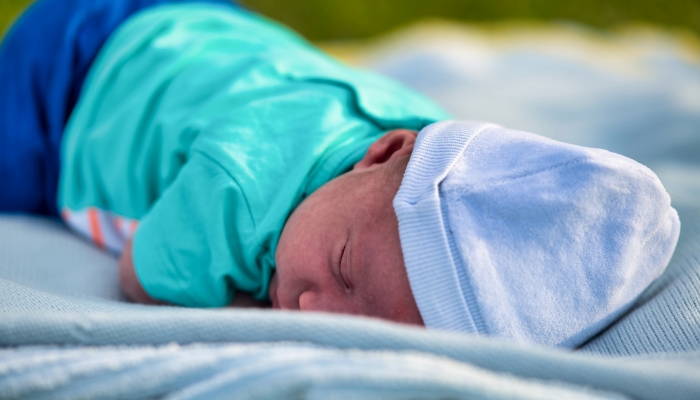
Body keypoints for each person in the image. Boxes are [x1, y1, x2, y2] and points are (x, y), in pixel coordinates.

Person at [0, 0, 680, 348]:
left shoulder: (419, 139)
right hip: (75, 65)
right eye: (345, 266)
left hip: (214, 28)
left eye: (371, 327)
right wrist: (246, 304)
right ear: (380, 153)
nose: (314, 309)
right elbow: (143, 277)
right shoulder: (239, 188)